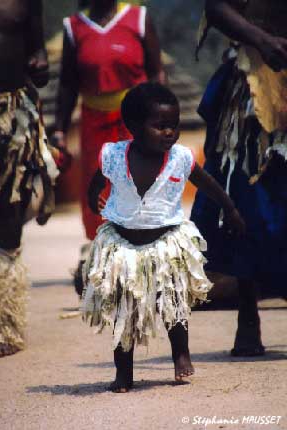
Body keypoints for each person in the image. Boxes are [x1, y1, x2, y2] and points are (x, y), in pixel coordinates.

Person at [81, 82, 245, 393]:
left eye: (174, 125)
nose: (169, 132)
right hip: (121, 247)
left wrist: (231, 209)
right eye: (160, 126)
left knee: (173, 305)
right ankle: (123, 371)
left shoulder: (181, 157)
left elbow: (209, 185)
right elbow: (96, 182)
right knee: (123, 310)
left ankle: (180, 354)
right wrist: (93, 200)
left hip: (165, 245)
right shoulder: (114, 155)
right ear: (133, 127)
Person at [191, 0, 287, 356]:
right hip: (253, 83)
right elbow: (216, 7)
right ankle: (248, 316)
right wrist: (262, 40)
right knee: (248, 196)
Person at [52, 0, 165, 285]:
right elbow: (67, 84)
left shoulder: (138, 19)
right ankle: (104, 260)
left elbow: (157, 72)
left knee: (140, 186)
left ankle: (146, 259)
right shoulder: (74, 27)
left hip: (136, 120)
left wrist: (161, 120)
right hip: (94, 121)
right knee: (97, 190)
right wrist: (60, 131)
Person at [0, 0, 58, 357]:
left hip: (12, 115)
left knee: (8, 218)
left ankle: (2, 325)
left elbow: (37, 51)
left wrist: (39, 64)